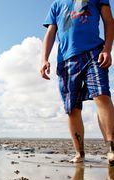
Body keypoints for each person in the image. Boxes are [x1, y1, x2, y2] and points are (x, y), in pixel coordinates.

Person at [40, 0, 114, 164]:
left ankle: (112, 149)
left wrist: (107, 48)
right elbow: (51, 33)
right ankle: (80, 153)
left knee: (101, 95)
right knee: (72, 108)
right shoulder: (57, 4)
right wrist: (44, 59)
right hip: (66, 61)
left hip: (94, 53)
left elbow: (109, 21)